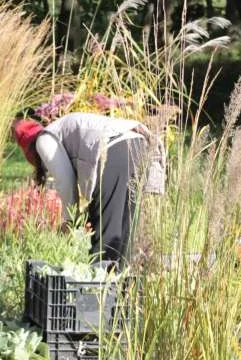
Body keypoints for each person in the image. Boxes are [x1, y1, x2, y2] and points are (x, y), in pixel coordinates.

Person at [12, 112, 155, 263]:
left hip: (113, 150)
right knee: (124, 233)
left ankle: (99, 283)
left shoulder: (44, 139)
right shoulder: (60, 129)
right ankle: (119, 282)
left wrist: (70, 221)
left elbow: (65, 181)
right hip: (140, 147)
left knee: (105, 238)